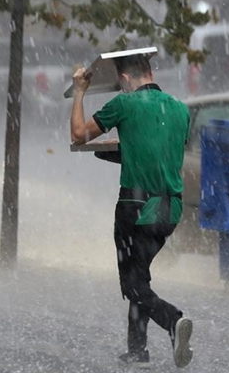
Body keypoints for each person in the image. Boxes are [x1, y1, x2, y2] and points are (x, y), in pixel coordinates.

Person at [69, 53, 193, 369]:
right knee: (140, 276)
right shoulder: (179, 109)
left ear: (124, 79)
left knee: (132, 284)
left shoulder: (124, 105)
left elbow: (78, 135)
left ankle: (172, 320)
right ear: (150, 72)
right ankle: (137, 351)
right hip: (170, 210)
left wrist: (80, 91)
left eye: (121, 84)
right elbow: (159, 153)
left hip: (136, 208)